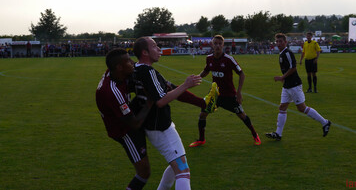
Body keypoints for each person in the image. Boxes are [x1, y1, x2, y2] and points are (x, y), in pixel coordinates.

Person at [133, 37, 202, 190]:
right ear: (145, 52)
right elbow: (161, 101)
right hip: (160, 127)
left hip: (154, 125)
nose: (159, 49)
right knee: (183, 171)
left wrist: (200, 101)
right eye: (155, 46)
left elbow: (166, 89)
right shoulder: (147, 71)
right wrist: (186, 85)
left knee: (175, 164)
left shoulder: (137, 68)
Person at [95, 48, 153, 190]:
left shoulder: (119, 74)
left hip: (128, 119)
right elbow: (134, 124)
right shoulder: (111, 92)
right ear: (119, 67)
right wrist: (150, 101)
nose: (132, 62)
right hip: (124, 131)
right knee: (144, 172)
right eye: (128, 60)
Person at [189, 35, 261, 147]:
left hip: (229, 95)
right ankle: (201, 139)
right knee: (202, 114)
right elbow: (206, 71)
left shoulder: (228, 59)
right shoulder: (209, 58)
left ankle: (255, 135)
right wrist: (196, 78)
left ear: (223, 45)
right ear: (212, 45)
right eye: (215, 43)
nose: (217, 46)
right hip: (215, 95)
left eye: (219, 44)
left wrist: (239, 92)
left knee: (242, 115)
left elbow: (242, 74)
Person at [265, 33, 331, 141]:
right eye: (276, 41)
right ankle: (278, 134)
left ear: (285, 42)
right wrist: (284, 80)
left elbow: (293, 68)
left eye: (280, 41)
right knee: (282, 107)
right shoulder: (281, 54)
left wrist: (282, 77)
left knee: (302, 108)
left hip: (294, 85)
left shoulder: (287, 53)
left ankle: (325, 122)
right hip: (287, 86)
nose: (278, 43)